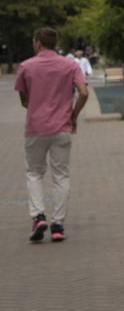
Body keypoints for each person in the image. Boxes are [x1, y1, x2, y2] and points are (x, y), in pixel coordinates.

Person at [14, 27, 89, 243]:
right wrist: (73, 115)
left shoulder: (26, 67)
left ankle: (38, 216)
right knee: (61, 176)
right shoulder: (70, 65)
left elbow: (24, 101)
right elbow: (84, 92)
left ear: (38, 42)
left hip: (35, 128)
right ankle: (58, 225)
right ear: (55, 43)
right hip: (62, 128)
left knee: (34, 173)